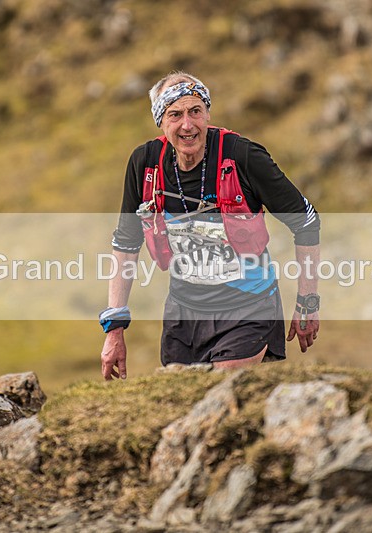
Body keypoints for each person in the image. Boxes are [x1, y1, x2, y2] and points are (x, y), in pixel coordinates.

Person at [99, 71, 320, 380]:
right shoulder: (145, 164)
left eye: (195, 112)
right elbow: (126, 242)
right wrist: (114, 327)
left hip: (249, 310)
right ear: (161, 121)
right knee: (182, 407)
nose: (187, 125)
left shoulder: (242, 156)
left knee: (220, 392)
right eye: (175, 114)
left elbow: (306, 221)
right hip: (183, 316)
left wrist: (307, 302)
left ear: (207, 114)